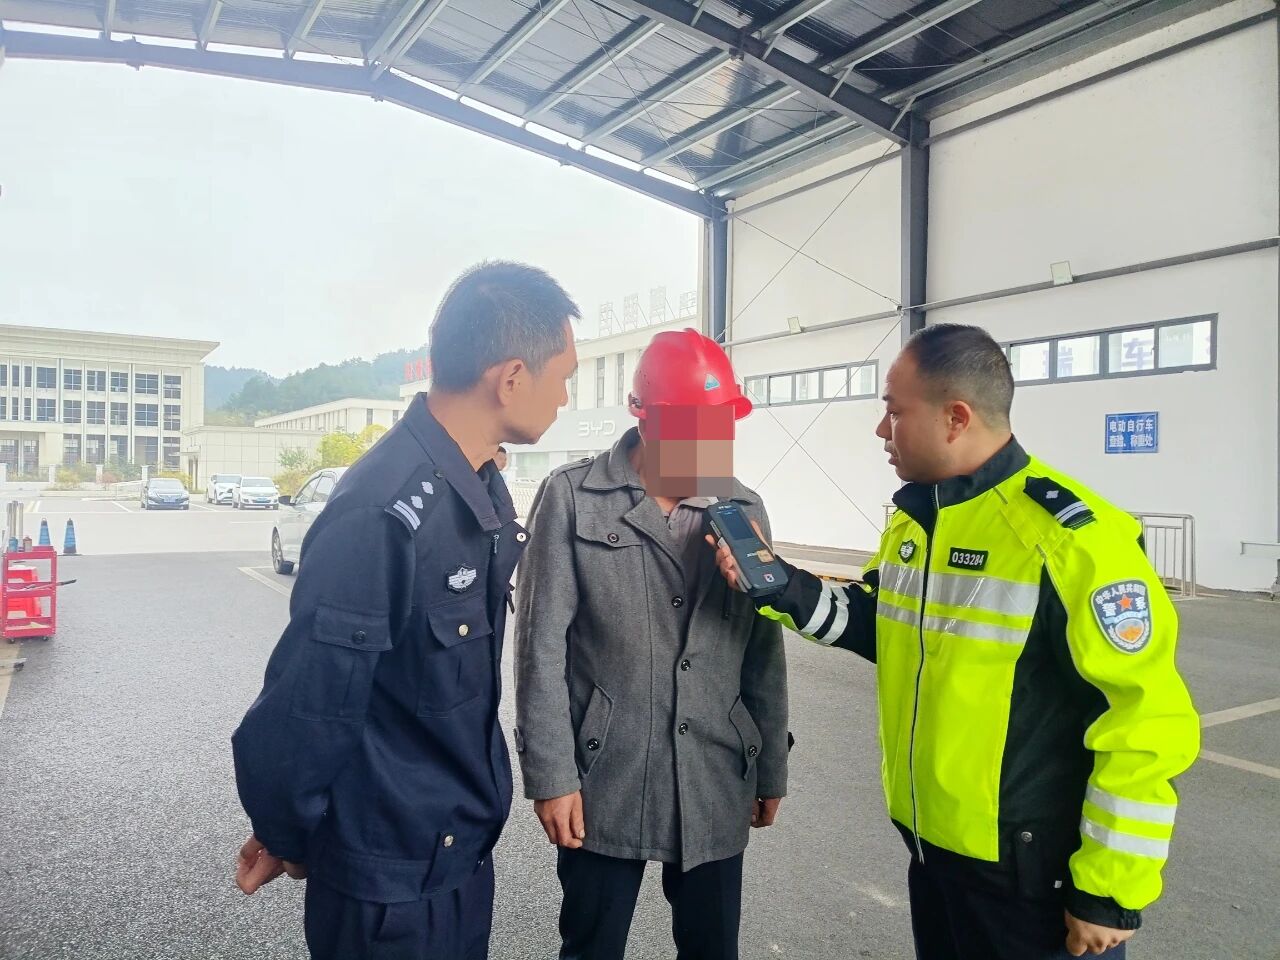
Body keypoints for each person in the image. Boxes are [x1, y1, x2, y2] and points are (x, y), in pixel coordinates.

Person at [710, 323, 1199, 960]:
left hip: (1033, 887)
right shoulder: (921, 522)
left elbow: (1144, 724)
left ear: (956, 418)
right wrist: (778, 583)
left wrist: (1108, 891)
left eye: (894, 412)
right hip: (936, 859)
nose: (881, 430)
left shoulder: (1072, 541)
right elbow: (877, 624)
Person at [231, 261, 580, 960]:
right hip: (387, 889)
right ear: (512, 378)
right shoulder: (382, 509)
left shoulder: (477, 486)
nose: (566, 397)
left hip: (453, 860)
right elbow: (310, 701)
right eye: (563, 377)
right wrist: (286, 830)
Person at [515, 329, 788, 960]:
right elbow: (540, 649)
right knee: (592, 945)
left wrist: (771, 764)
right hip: (604, 776)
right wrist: (552, 776)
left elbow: (762, 652)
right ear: (643, 415)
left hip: (714, 774)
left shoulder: (742, 507)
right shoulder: (573, 497)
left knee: (712, 947)